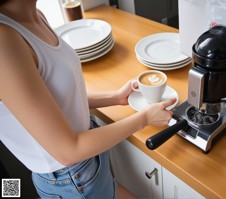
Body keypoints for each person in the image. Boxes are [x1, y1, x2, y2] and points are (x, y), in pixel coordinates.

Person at [0, 0, 176, 198]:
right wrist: (144, 119)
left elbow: (57, 98)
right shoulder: (4, 41)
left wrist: (115, 97)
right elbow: (68, 150)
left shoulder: (36, 15)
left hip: (87, 159)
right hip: (70, 178)